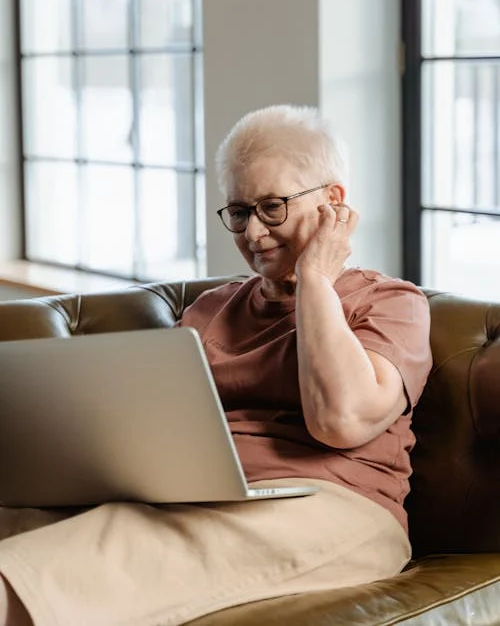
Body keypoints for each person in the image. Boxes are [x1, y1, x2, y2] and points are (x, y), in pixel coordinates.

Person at [0, 104, 432, 626]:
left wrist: (317, 278)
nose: (253, 233)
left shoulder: (390, 302)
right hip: (210, 498)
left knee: (56, 568)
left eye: (273, 207)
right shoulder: (209, 310)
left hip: (333, 507)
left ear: (332, 204)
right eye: (239, 211)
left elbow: (339, 419)